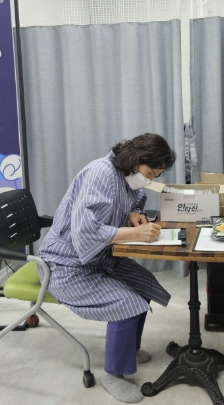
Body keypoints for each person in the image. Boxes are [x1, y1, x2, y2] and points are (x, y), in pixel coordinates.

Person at [37, 133, 176, 404]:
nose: (150, 181)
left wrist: (133, 214)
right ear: (136, 160)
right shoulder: (101, 174)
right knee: (127, 303)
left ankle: (128, 349)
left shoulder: (126, 174)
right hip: (64, 265)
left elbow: (134, 198)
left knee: (143, 285)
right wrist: (136, 233)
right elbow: (85, 231)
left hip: (98, 258)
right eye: (150, 174)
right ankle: (113, 374)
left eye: (155, 176)